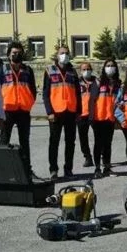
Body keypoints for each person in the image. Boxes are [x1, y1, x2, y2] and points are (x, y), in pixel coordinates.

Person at [0, 42, 38, 179]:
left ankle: (27, 171)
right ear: (8, 55)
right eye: (13, 53)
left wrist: (29, 103)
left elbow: (33, 90)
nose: (16, 55)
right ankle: (3, 172)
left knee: (24, 142)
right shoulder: (1, 69)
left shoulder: (27, 70)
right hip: (7, 110)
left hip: (23, 111)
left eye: (19, 52)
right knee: (4, 142)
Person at [42, 46, 82, 180]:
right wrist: (49, 112)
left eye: (66, 53)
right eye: (62, 53)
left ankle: (68, 169)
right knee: (54, 142)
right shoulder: (49, 70)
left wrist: (79, 111)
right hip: (55, 112)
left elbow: (78, 93)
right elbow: (46, 94)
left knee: (70, 142)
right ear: (57, 55)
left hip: (70, 111)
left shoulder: (73, 72)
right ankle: (53, 170)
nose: (64, 55)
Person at [89, 58, 120, 178]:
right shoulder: (98, 81)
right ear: (104, 67)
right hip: (98, 117)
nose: (110, 67)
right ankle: (97, 168)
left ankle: (107, 167)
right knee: (98, 143)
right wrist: (91, 117)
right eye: (108, 65)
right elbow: (92, 100)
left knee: (108, 144)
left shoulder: (117, 83)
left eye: (112, 65)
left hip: (110, 118)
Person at [77, 62, 94, 167]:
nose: (86, 71)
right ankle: (87, 157)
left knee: (99, 137)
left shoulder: (97, 82)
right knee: (83, 138)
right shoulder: (76, 82)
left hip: (95, 113)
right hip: (81, 113)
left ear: (91, 70)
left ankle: (101, 154)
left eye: (88, 69)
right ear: (80, 71)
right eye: (84, 69)